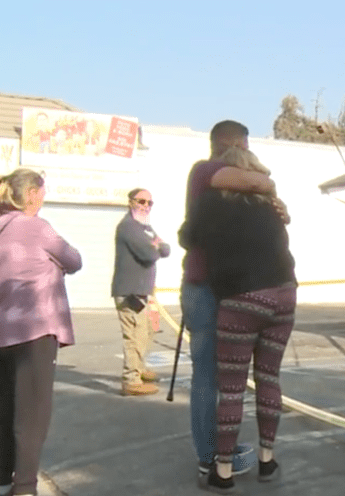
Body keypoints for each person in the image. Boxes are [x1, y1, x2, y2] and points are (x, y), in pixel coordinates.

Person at [178, 120, 288, 489]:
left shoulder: (218, 193)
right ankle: (216, 459)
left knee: (222, 380)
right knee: (221, 379)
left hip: (226, 289)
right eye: (243, 147)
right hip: (213, 290)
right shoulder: (208, 171)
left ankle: (218, 460)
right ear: (232, 146)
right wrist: (269, 186)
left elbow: (187, 235)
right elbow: (260, 182)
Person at [0, 168, 82, 496]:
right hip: (34, 333)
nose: (44, 198)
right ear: (32, 194)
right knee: (31, 419)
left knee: (4, 411)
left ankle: (0, 484)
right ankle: (25, 488)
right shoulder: (37, 228)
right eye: (43, 192)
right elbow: (74, 260)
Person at [112, 188, 170, 396]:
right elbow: (148, 254)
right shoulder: (128, 227)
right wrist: (154, 247)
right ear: (130, 202)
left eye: (149, 203)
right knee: (134, 336)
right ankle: (131, 380)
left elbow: (166, 249)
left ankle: (139, 367)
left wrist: (157, 246)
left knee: (147, 331)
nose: (145, 206)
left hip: (143, 291)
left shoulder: (145, 228)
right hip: (130, 291)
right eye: (141, 201)